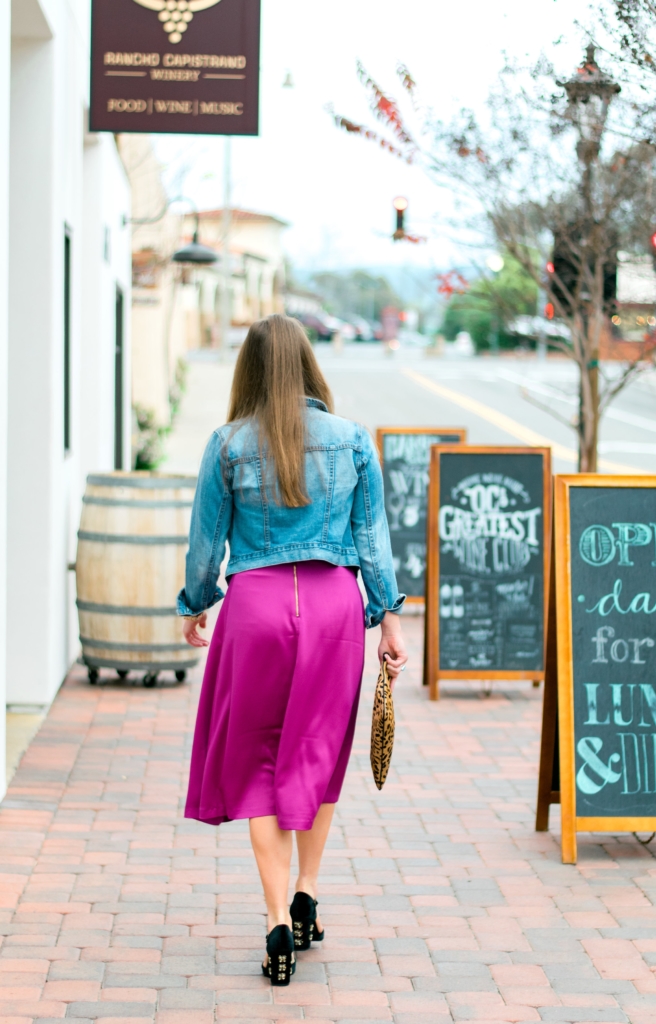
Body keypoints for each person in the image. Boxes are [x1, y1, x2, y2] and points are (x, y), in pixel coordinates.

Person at [178, 314, 407, 987]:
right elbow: (374, 541)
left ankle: (277, 919)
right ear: (309, 365)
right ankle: (308, 889)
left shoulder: (228, 443)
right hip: (336, 607)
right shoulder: (351, 440)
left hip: (255, 609)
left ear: (247, 370)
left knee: (256, 755)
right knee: (315, 747)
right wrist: (388, 620)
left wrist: (195, 603)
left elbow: (204, 544)